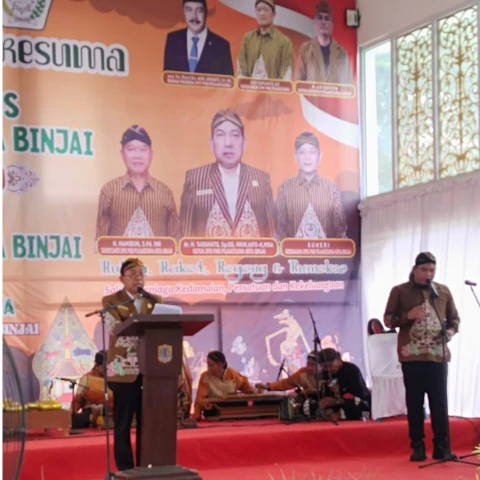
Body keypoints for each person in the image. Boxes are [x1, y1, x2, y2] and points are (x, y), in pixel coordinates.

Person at [384, 252, 460, 462]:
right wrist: (407, 316)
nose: (428, 274)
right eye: (424, 269)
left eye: (432, 270)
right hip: (413, 357)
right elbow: (388, 320)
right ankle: (417, 446)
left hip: (438, 356)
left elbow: (454, 319)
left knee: (439, 403)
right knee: (415, 402)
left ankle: (442, 447)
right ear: (415, 269)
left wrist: (450, 332)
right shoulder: (400, 291)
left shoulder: (442, 291)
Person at [103, 258, 162, 471]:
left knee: (147, 423)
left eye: (141, 273)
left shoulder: (155, 301)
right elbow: (116, 329)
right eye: (133, 274)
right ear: (122, 278)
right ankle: (126, 469)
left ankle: (146, 465)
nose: (138, 277)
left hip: (150, 370)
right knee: (123, 423)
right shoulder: (111, 301)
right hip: (124, 370)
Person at [179, 109, 276, 238]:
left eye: (234, 135)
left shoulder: (261, 179)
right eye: (220, 135)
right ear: (211, 143)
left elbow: (272, 235)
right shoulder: (195, 179)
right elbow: (184, 236)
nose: (228, 143)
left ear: (244, 143)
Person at [95, 125, 181, 245]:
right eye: (131, 149)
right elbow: (100, 243)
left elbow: (176, 243)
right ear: (122, 154)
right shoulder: (109, 191)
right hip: (120, 258)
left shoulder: (164, 192)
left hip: (157, 258)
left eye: (143, 149)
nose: (137, 155)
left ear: (151, 155)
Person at [276, 132, 347, 239]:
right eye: (302, 152)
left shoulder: (331, 188)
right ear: (295, 156)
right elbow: (279, 229)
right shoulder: (285, 188)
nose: (307, 157)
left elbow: (340, 231)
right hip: (292, 249)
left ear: (320, 156)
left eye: (312, 152)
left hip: (325, 249)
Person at [163, 0, 234, 76]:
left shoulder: (221, 46)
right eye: (189, 10)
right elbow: (166, 78)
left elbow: (228, 81)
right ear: (183, 11)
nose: (194, 16)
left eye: (199, 10)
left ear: (206, 13)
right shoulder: (173, 40)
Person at [296, 1, 353, 84]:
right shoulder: (305, 49)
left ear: (332, 25)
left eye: (327, 18)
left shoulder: (342, 53)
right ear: (314, 22)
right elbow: (298, 83)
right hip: (311, 93)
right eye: (319, 17)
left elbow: (348, 85)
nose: (323, 22)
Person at [237, 0, 294, 80]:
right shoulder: (247, 39)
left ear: (274, 14)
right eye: (259, 10)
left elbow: (286, 77)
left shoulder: (284, 42)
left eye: (265, 9)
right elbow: (241, 72)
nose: (262, 13)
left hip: (275, 88)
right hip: (248, 87)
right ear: (255, 13)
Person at [194, 350, 255, 420]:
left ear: (220, 365)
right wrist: (196, 416)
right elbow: (199, 399)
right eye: (207, 365)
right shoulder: (205, 377)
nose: (208, 368)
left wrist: (254, 393)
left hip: (232, 411)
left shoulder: (232, 373)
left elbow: (247, 387)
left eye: (211, 366)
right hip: (214, 412)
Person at [71, 351, 111, 428]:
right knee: (75, 420)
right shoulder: (88, 378)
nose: (108, 369)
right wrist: (72, 413)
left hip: (108, 409)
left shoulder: (113, 377)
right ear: (97, 365)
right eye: (105, 367)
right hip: (90, 410)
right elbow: (78, 399)